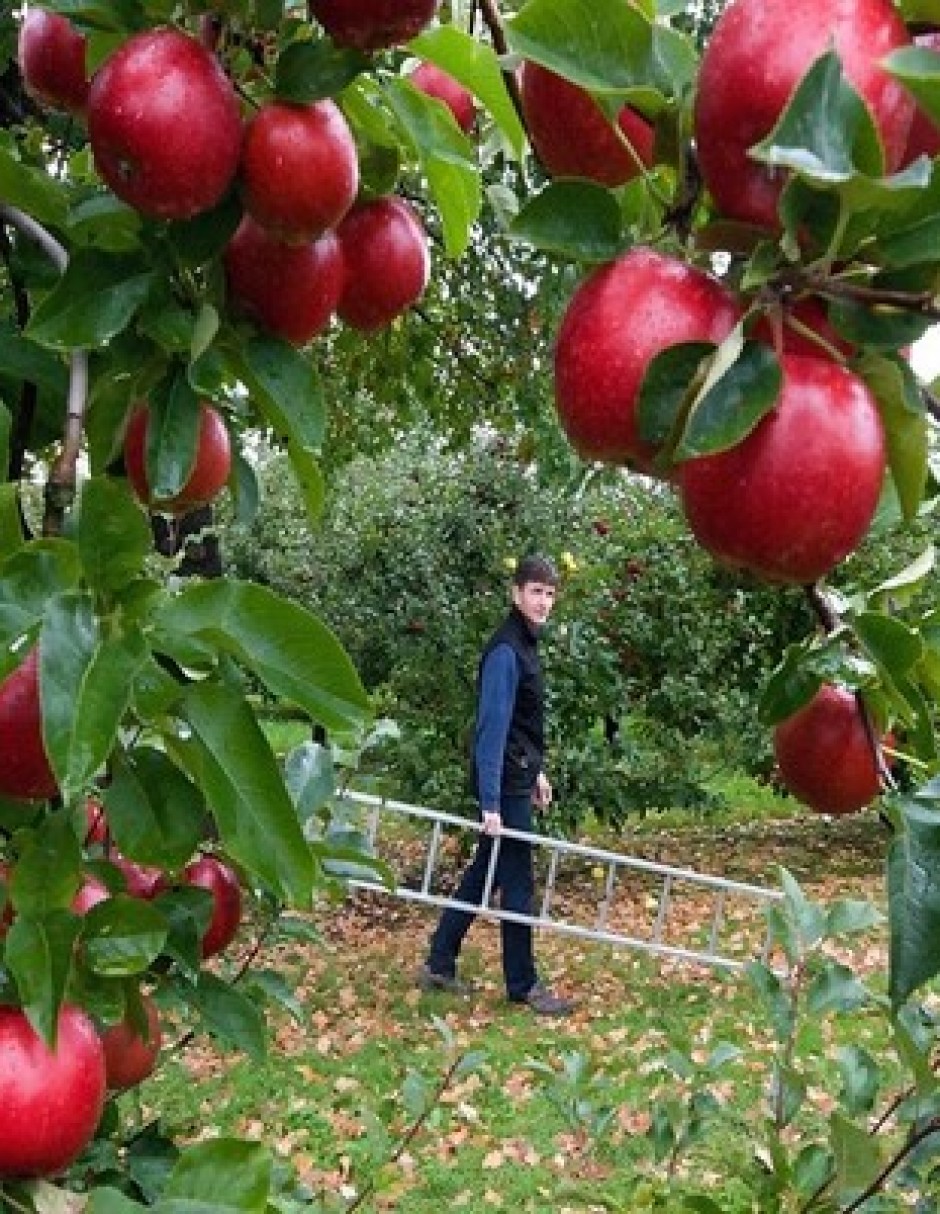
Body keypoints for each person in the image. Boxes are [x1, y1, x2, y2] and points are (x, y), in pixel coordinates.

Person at [418, 554, 574, 1016]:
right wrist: (491, 804)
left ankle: (440, 961)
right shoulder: (507, 651)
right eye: (535, 592)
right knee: (517, 884)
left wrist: (536, 773)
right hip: (502, 787)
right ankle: (523, 985)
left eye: (549, 593)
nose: (543, 602)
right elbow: (492, 729)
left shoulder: (525, 645)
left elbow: (520, 726)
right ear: (516, 594)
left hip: (515, 777)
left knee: (483, 873)